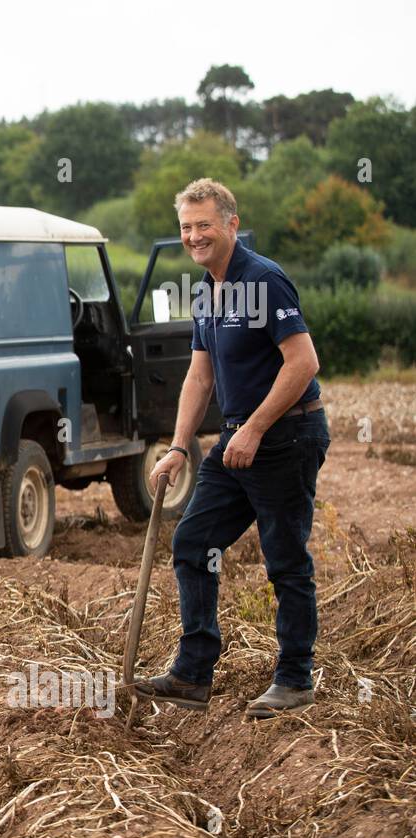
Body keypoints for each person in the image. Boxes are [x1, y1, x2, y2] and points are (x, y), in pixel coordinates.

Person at [139, 178, 329, 719]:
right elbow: (199, 379)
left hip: (287, 436)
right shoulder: (206, 290)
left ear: (231, 225)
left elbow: (303, 363)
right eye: (186, 227)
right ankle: (193, 674)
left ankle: (295, 679)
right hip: (236, 441)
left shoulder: (264, 281)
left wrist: (255, 428)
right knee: (194, 540)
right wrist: (178, 447)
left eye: (204, 225)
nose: (195, 236)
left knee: (285, 558)